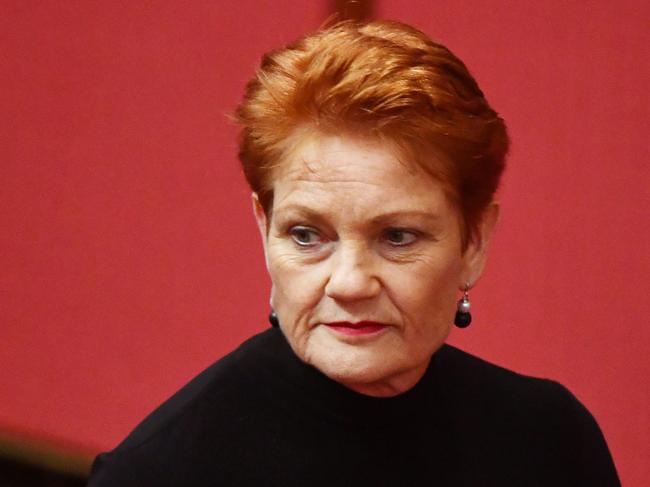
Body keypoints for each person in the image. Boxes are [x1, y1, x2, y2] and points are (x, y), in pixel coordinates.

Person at [87, 20, 619, 486]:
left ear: (474, 241)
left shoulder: (550, 442)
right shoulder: (161, 472)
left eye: (397, 237)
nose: (348, 283)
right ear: (262, 227)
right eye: (305, 235)